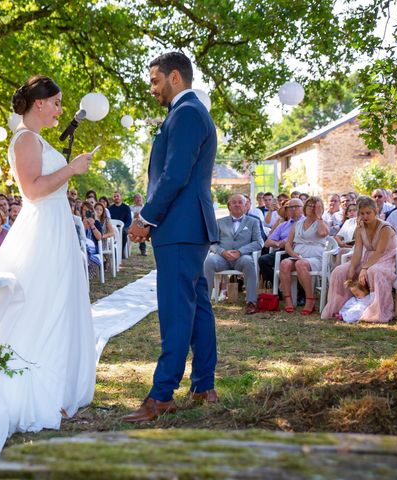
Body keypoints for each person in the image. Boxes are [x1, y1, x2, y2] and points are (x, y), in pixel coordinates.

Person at [0, 75, 97, 435]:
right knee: (43, 303)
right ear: (39, 104)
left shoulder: (36, 138)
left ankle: (58, 386)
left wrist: (67, 170)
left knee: (59, 302)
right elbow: (32, 190)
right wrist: (72, 169)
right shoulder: (26, 139)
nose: (60, 111)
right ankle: (36, 389)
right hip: (42, 226)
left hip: (56, 225)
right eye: (57, 103)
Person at [126, 52, 219, 422]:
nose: (152, 89)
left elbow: (175, 174)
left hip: (179, 228)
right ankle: (203, 384)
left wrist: (146, 218)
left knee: (176, 312)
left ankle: (162, 395)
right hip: (186, 228)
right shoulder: (188, 113)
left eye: (155, 81)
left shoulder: (187, 114)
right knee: (197, 308)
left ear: (175, 77)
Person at [321, 196, 397, 323]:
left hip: (385, 259)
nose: (365, 216)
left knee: (373, 271)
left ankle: (376, 311)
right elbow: (357, 250)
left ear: (375, 211)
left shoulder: (385, 228)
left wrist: (364, 268)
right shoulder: (360, 228)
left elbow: (380, 252)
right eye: (362, 213)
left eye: (368, 213)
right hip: (366, 259)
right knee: (339, 271)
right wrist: (352, 267)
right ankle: (341, 307)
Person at [204, 194, 263, 314]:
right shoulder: (219, 222)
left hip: (242, 257)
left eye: (240, 202)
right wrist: (222, 252)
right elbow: (211, 243)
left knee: (248, 261)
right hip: (222, 258)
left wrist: (240, 251)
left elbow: (259, 242)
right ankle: (204, 301)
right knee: (209, 261)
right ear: (229, 206)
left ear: (246, 206)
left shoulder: (253, 222)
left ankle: (251, 302)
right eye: (234, 202)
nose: (237, 204)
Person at [279, 196, 329, 314]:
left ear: (320, 208)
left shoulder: (321, 223)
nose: (311, 208)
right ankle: (288, 300)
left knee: (301, 264)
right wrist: (293, 254)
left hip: (315, 258)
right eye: (310, 205)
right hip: (298, 255)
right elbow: (288, 244)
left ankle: (310, 300)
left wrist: (319, 217)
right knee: (285, 263)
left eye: (315, 206)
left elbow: (323, 233)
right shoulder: (297, 224)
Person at [258, 198, 305, 289]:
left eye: (297, 207)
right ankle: (278, 288)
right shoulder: (283, 225)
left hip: (301, 250)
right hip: (283, 251)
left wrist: (287, 242)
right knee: (263, 260)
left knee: (300, 263)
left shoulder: (306, 222)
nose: (293, 209)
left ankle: (300, 295)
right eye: (290, 207)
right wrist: (278, 244)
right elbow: (267, 243)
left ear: (303, 209)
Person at [108, 191, 132, 255]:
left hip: (124, 227)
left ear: (121, 197)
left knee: (124, 232)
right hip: (113, 227)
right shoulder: (110, 208)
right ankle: (113, 251)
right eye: (114, 196)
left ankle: (121, 252)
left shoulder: (126, 208)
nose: (116, 198)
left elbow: (129, 220)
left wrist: (123, 227)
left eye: (117, 196)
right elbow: (109, 220)